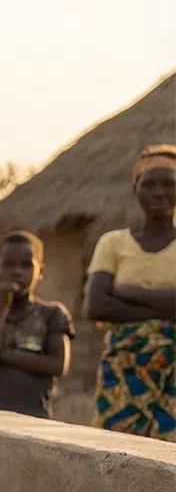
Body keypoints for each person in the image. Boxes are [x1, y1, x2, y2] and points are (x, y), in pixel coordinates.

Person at [84, 144, 176, 441]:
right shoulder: (112, 243)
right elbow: (96, 305)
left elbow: (109, 301)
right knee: (115, 450)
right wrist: (166, 310)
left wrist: (128, 292)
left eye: (169, 184)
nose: (159, 192)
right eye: (150, 184)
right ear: (135, 188)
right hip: (122, 372)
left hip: (172, 373)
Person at [0, 232, 73, 418]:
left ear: (41, 272)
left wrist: (2, 353)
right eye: (8, 264)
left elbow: (57, 365)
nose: (17, 271)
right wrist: (1, 306)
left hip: (34, 417)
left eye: (26, 265)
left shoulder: (52, 314)